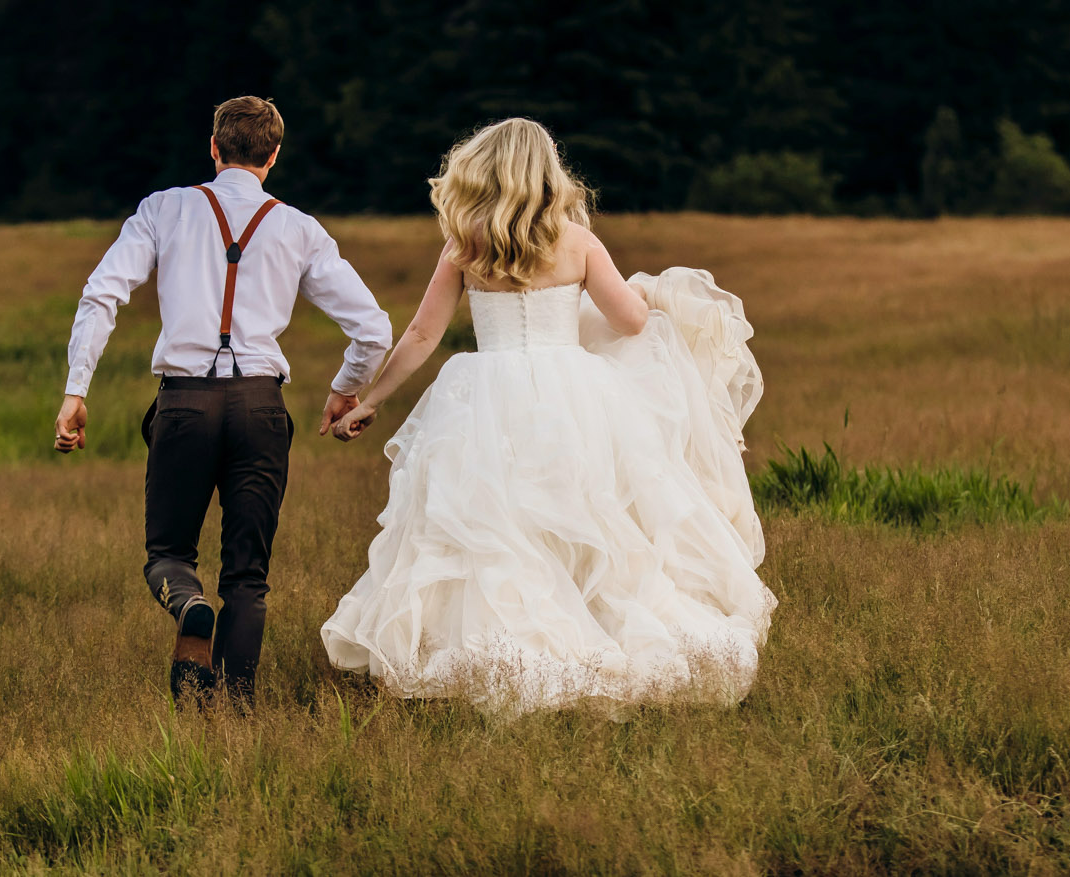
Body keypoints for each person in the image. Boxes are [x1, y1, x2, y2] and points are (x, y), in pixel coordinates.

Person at [321, 118, 775, 717]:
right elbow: (631, 323)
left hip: (484, 401)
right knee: (586, 522)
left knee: (493, 527)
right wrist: (649, 294)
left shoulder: (465, 244)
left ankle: (499, 650)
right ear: (548, 170)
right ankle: (595, 639)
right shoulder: (579, 242)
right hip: (576, 396)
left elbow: (424, 332)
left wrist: (373, 398)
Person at [54, 97, 392, 704]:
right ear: (274, 156)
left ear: (213, 148)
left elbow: (100, 295)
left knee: (167, 554)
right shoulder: (299, 228)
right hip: (262, 409)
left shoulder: (164, 208)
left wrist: (77, 389)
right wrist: (344, 389)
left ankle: (187, 605)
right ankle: (235, 714)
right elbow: (374, 330)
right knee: (248, 577)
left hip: (184, 405)